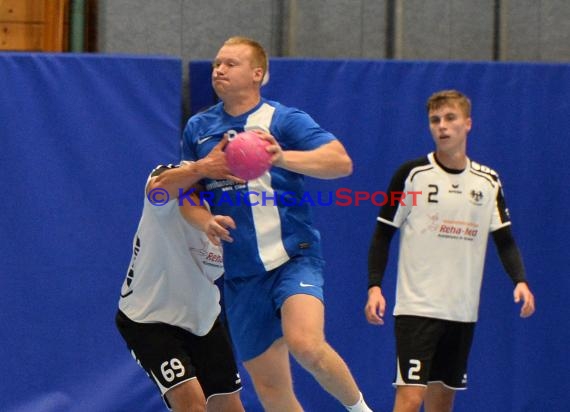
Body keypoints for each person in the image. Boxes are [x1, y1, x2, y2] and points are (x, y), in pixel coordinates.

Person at [178, 36, 373, 411]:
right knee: (271, 389)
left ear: (257, 74)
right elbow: (187, 194)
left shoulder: (282, 119)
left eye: (230, 63)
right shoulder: (198, 128)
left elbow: (339, 161)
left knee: (306, 344)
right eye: (217, 63)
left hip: (292, 256)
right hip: (240, 273)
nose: (219, 69)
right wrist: (205, 221)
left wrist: (281, 157)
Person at [364, 89, 536, 412]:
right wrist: (374, 286)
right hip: (417, 308)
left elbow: (505, 239)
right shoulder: (412, 176)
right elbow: (382, 234)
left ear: (467, 123)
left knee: (442, 402)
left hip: (461, 310)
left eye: (450, 118)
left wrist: (520, 280)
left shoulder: (488, 181)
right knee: (410, 398)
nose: (442, 126)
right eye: (434, 120)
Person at [115, 141, 245, 412]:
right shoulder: (172, 179)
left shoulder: (237, 208)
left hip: (202, 319)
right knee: (191, 404)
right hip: (148, 318)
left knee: (229, 406)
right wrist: (202, 167)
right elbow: (157, 191)